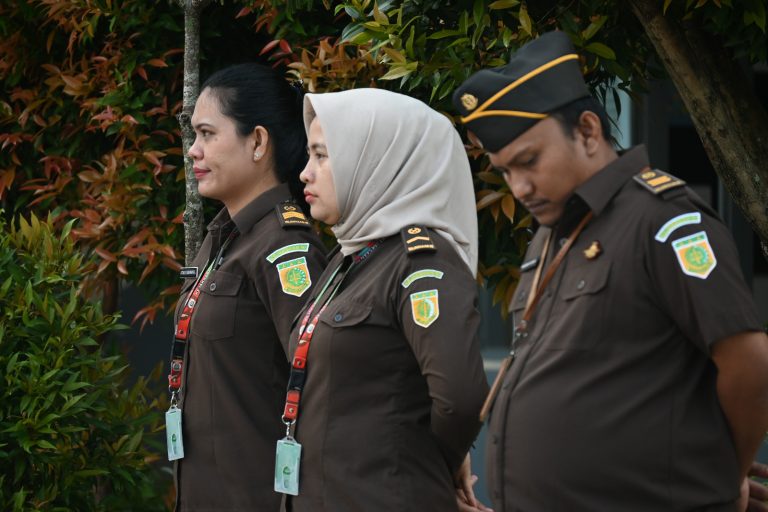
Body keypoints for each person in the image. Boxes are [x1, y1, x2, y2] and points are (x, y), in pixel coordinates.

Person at [451, 31, 768, 511]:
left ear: (588, 130)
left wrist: (728, 473)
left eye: (529, 161)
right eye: (505, 171)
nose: (519, 186)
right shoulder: (552, 234)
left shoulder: (663, 222)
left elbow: (750, 365)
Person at [277, 88, 489, 511]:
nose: (305, 173)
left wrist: (431, 464)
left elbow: (460, 399)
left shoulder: (420, 261)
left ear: (377, 161)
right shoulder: (352, 258)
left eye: (321, 155)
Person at [169, 63, 328, 511]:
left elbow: (320, 387)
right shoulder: (226, 238)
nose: (193, 152)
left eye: (207, 134)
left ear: (257, 141)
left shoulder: (286, 248)